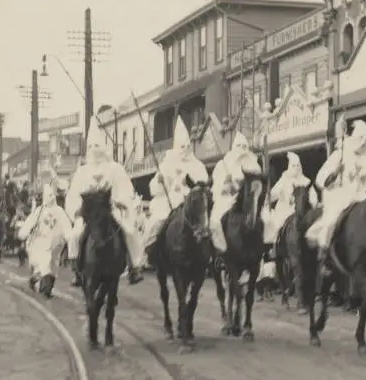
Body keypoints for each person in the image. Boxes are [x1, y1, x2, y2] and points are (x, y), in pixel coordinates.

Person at [65, 128, 144, 284]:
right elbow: (73, 195)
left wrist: (121, 201)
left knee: (129, 232)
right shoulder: (82, 171)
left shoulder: (115, 168)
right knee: (74, 235)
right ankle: (76, 269)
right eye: (91, 146)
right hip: (88, 213)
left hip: (111, 209)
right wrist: (77, 210)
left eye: (98, 145)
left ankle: (134, 267)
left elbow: (126, 189)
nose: (95, 149)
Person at [306, 118, 366, 260]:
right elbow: (321, 180)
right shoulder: (340, 156)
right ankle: (325, 252)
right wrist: (335, 173)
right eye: (363, 139)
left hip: (365, 199)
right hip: (344, 197)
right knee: (331, 221)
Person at [143, 117, 209, 253]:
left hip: (191, 199)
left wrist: (191, 184)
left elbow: (203, 182)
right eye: (181, 146)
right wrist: (159, 181)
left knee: (208, 223)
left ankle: (215, 254)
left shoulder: (197, 164)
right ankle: (149, 251)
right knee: (156, 222)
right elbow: (154, 189)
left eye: (187, 145)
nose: (185, 149)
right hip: (170, 200)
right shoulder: (167, 163)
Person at [209, 131, 262, 257]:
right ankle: (221, 248)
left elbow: (258, 183)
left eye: (244, 146)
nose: (242, 150)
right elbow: (216, 187)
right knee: (215, 221)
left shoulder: (253, 163)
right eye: (239, 146)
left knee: (265, 219)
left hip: (249, 201)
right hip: (227, 200)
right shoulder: (223, 165)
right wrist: (226, 185)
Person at [18, 185, 72, 297]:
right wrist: (24, 232)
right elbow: (30, 222)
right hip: (42, 243)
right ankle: (44, 289)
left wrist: (69, 237)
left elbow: (66, 225)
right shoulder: (39, 211)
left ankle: (46, 287)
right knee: (45, 265)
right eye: (49, 195)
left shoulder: (59, 211)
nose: (51, 197)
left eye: (52, 195)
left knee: (53, 267)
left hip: (56, 245)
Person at [264, 151, 317, 246]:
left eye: (297, 165)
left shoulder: (305, 181)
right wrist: (269, 197)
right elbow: (274, 194)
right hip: (284, 211)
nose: (296, 168)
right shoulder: (284, 180)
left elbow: (313, 197)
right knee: (276, 226)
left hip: (302, 212)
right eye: (293, 166)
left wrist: (313, 203)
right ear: (289, 166)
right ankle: (275, 247)